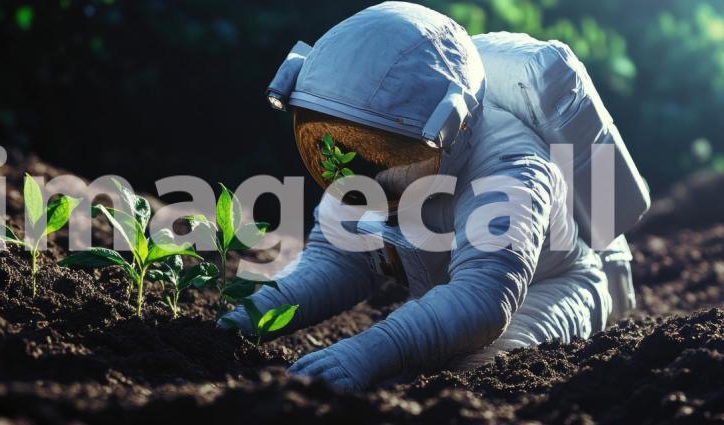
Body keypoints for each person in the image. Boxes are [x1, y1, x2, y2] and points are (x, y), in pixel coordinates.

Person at [220, 1, 639, 391]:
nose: (356, 171)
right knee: (415, 362)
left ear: (449, 132)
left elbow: (483, 299)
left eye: (387, 153)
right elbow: (339, 260)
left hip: (552, 286)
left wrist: (367, 352)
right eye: (329, 139)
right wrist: (249, 319)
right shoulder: (366, 165)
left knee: (473, 382)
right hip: (451, 285)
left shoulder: (512, 167)